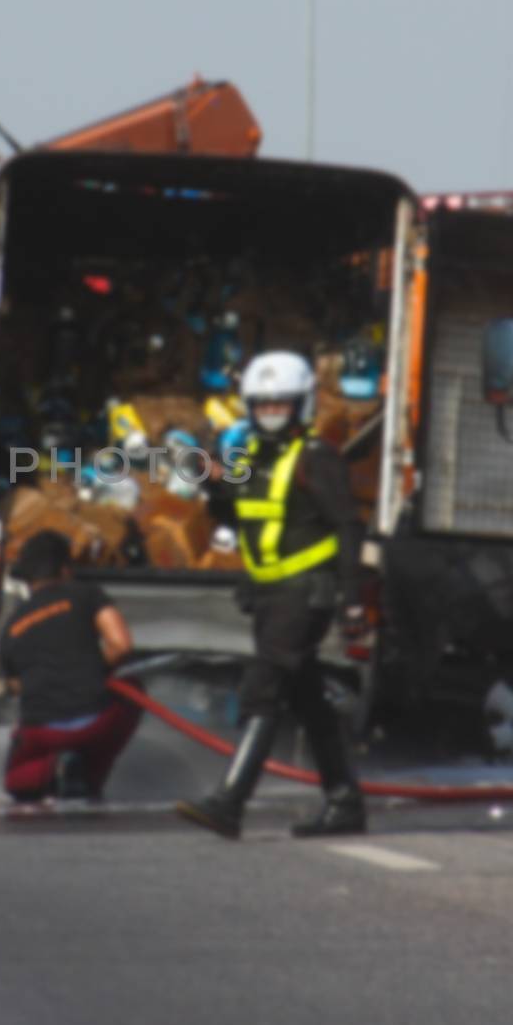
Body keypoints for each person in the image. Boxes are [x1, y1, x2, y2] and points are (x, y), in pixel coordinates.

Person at [176, 351, 370, 841]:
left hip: (305, 594)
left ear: (301, 405)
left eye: (280, 406)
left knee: (263, 688)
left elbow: (348, 526)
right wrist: (209, 482)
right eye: (262, 407)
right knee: (306, 697)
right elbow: (236, 516)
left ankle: (229, 803)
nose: (270, 414)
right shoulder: (254, 459)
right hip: (269, 594)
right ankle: (344, 803)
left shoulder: (318, 458)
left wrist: (352, 599)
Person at [0, 531, 141, 803]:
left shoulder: (11, 626)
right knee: (133, 688)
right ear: (65, 570)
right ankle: (90, 777)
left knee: (17, 783)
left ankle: (49, 772)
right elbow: (121, 645)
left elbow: (15, 685)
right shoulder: (85, 594)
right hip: (94, 722)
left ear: (28, 580)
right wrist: (94, 670)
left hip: (41, 731)